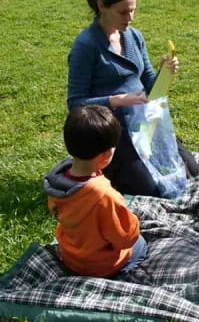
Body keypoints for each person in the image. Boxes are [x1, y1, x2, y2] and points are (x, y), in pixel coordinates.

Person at [67, 0, 198, 197]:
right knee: (153, 190)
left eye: (133, 10)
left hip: (144, 123)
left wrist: (164, 73)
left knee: (191, 171)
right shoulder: (86, 46)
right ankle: (114, 169)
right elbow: (75, 103)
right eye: (123, 12)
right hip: (113, 133)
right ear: (101, 6)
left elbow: (148, 83)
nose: (130, 18)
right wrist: (116, 101)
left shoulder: (133, 37)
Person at [44, 105, 147, 278]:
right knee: (140, 245)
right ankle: (119, 278)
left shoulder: (57, 179)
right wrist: (133, 221)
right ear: (106, 155)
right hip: (100, 266)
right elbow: (126, 238)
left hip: (70, 257)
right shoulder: (104, 195)